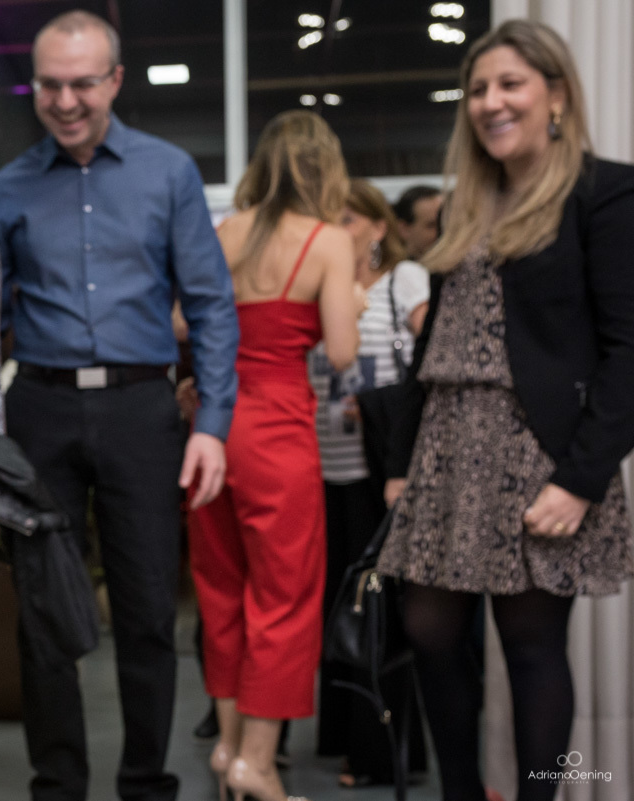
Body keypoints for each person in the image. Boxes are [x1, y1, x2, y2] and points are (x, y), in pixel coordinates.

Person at [0, 11, 239, 800]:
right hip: (40, 409)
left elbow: (212, 304)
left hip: (142, 411)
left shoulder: (168, 173)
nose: (64, 101)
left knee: (148, 609)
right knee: (44, 611)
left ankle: (146, 783)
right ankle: (57, 784)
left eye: (83, 84)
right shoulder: (8, 187)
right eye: (49, 85)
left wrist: (212, 425)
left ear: (116, 80)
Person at [377, 19, 634, 801]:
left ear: (556, 95)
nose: (491, 102)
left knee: (531, 646)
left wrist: (580, 480)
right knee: (428, 631)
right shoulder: (465, 203)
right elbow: (429, 349)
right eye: (479, 89)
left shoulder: (604, 191)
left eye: (510, 84)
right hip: (445, 447)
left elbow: (629, 349)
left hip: (538, 454)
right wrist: (399, 463)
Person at [187, 109, 359, 801]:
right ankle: (257, 762)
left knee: (221, 592)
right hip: (280, 432)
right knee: (284, 599)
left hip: (214, 428)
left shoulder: (226, 232)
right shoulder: (329, 241)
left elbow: (182, 320)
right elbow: (342, 351)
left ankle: (228, 749)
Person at [309, 178, 429, 787]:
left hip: (380, 473)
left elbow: (431, 363)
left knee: (375, 606)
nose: (338, 231)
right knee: (335, 604)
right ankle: (342, 738)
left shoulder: (403, 282)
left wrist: (380, 409)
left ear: (380, 227)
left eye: (350, 219)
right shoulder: (319, 287)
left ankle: (381, 753)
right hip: (321, 469)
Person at [391, 185, 442, 261]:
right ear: (404, 229)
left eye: (445, 223)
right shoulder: (394, 267)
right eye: (432, 225)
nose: (442, 231)